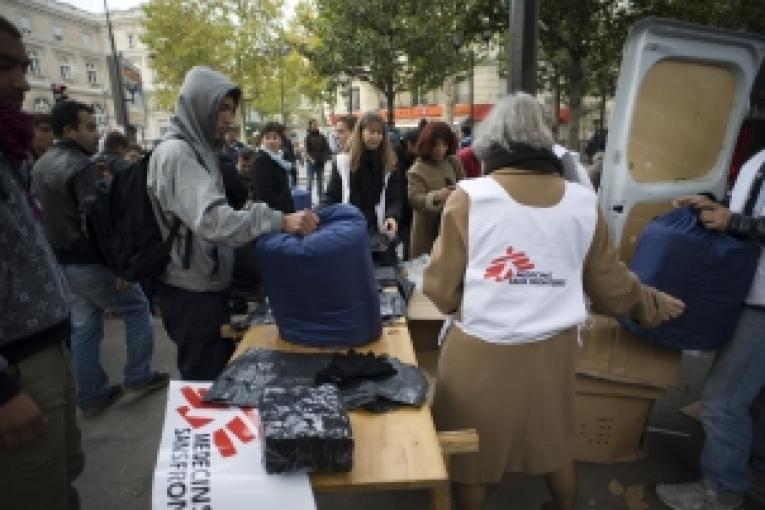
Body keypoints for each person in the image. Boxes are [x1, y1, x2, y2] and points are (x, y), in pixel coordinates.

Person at [424, 93, 685, 510]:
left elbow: (438, 287)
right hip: (553, 347)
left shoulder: (470, 197)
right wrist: (651, 304)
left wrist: (469, 305)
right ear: (546, 137)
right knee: (554, 439)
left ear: (493, 140)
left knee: (473, 453)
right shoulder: (582, 202)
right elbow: (611, 286)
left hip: (482, 348)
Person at [147, 66, 318, 381]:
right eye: (221, 108)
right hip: (191, 294)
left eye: (232, 109)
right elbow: (213, 221)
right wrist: (278, 220)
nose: (228, 118)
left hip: (207, 286)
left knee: (219, 378)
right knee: (204, 386)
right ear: (199, 104)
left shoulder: (202, 150)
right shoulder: (177, 154)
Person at [32, 100, 168, 417]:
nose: (97, 134)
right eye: (90, 127)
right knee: (136, 307)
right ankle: (137, 375)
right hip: (91, 262)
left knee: (85, 327)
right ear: (68, 130)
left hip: (64, 263)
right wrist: (120, 265)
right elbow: (100, 224)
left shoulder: (42, 164)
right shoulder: (82, 167)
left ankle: (91, 395)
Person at [0, 16, 84, 509]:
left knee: (60, 478)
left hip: (46, 350)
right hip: (17, 371)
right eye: (3, 66)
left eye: (23, 66)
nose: (20, 81)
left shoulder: (13, 151)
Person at [656, 149, 765, 510]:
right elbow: (749, 207)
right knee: (752, 398)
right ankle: (753, 470)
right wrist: (712, 205)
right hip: (749, 290)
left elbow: (747, 220)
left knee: (722, 402)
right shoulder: (757, 158)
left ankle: (722, 489)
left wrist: (734, 222)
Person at [323, 111, 402, 237]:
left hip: (379, 230)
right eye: (371, 132)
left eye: (379, 133)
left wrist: (392, 216)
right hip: (350, 229)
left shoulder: (390, 163)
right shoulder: (343, 162)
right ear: (360, 133)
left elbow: (395, 197)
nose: (376, 137)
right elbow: (332, 196)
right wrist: (316, 213)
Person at [407, 121, 465, 258]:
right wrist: (436, 196)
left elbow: (463, 183)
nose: (441, 150)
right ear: (427, 144)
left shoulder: (452, 162)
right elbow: (414, 199)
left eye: (444, 145)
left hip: (451, 227)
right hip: (427, 231)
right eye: (436, 145)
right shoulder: (417, 170)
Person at [252, 121, 295, 213]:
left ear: (281, 141)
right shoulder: (261, 160)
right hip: (272, 216)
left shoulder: (281, 160)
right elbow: (263, 194)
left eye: (275, 137)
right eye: (267, 138)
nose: (271, 141)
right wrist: (284, 211)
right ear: (261, 140)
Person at [396, 128, 419, 259]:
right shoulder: (398, 162)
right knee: (408, 244)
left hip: (411, 211)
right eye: (418, 145)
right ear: (409, 144)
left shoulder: (415, 158)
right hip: (403, 212)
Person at [305, 119, 330, 200]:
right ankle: (307, 199)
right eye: (313, 124)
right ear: (310, 126)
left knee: (320, 182)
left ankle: (321, 199)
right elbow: (306, 151)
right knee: (309, 182)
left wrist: (325, 159)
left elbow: (326, 149)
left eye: (316, 124)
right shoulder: (308, 137)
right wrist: (311, 160)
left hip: (320, 163)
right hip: (311, 163)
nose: (315, 125)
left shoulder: (322, 136)